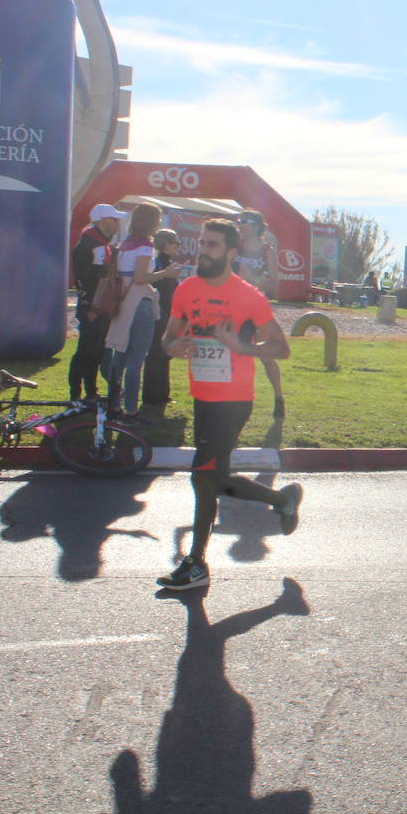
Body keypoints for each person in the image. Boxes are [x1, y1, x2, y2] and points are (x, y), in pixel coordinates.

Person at [157, 218, 304, 590]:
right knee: (214, 479)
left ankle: (196, 563)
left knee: (202, 476)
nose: (203, 251)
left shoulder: (248, 296)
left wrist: (243, 348)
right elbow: (168, 338)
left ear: (231, 252)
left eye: (213, 245)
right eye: (202, 243)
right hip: (202, 397)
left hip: (234, 400)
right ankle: (280, 500)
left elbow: (281, 348)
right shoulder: (186, 290)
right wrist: (173, 348)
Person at [103, 202, 183, 422]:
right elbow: (141, 277)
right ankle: (131, 409)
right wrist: (166, 274)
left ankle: (114, 403)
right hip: (140, 301)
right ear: (152, 222)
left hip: (122, 300)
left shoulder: (124, 244)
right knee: (136, 359)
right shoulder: (145, 246)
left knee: (119, 355)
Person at [232, 210, 287, 418]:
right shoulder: (234, 246)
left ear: (256, 226)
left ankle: (278, 397)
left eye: (243, 221)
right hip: (233, 307)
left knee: (265, 355)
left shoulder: (267, 251)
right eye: (238, 221)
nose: (239, 224)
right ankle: (235, 401)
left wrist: (253, 277)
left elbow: (274, 286)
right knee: (235, 352)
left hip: (256, 307)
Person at [68, 203, 122, 402]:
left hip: (102, 307)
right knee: (85, 351)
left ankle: (91, 391)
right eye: (114, 220)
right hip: (92, 307)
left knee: (97, 351)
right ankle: (75, 393)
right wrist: (89, 306)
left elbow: (103, 275)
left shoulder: (103, 244)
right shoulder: (87, 244)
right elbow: (82, 280)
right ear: (103, 221)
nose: (117, 224)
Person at [141, 229, 184, 408]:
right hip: (159, 313)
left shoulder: (167, 264)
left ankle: (162, 394)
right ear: (165, 245)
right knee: (156, 354)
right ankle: (152, 396)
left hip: (167, 313)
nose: (178, 246)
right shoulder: (158, 264)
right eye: (176, 243)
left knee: (164, 354)